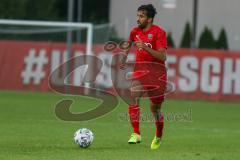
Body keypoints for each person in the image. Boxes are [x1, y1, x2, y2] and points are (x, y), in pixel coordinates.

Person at [119, 4, 168, 150]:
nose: (138, 19)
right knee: (133, 96)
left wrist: (146, 47)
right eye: (138, 15)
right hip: (140, 72)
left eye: (141, 16)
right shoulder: (135, 31)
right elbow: (129, 43)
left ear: (150, 19)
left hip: (157, 76)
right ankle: (136, 133)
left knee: (155, 109)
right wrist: (124, 57)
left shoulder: (159, 33)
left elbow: (162, 56)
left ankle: (158, 135)